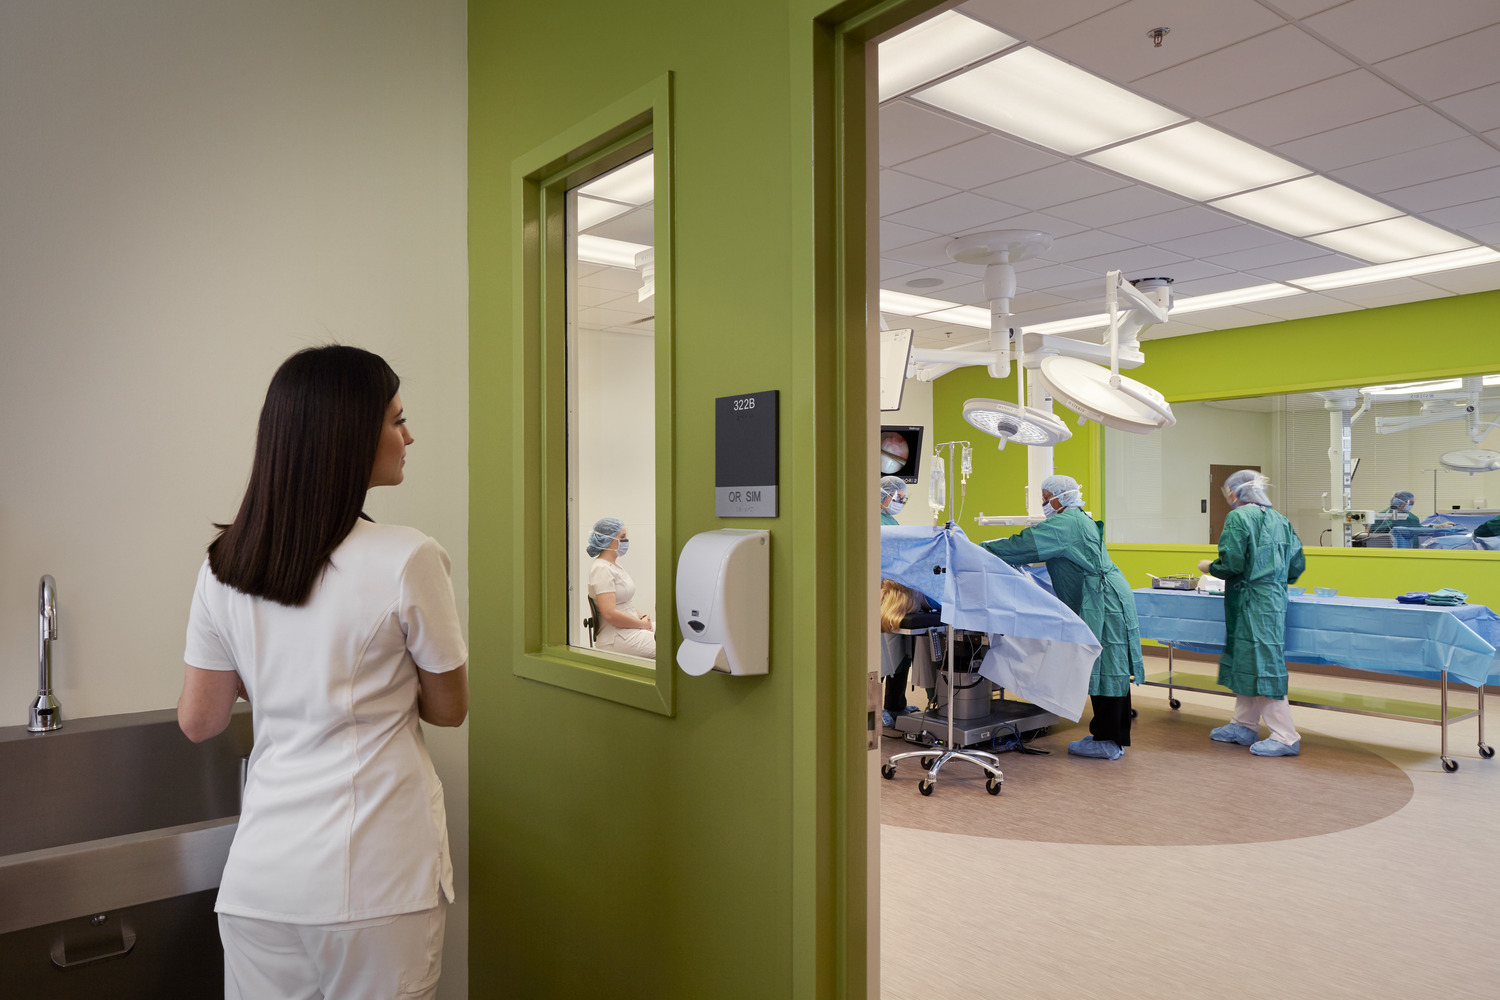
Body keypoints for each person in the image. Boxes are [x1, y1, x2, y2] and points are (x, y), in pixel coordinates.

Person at [177, 345, 468, 999]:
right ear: (348, 436)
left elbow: (201, 720)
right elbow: (449, 708)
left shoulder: (225, 562)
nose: (408, 435)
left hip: (262, 884)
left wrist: (281, 673)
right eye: (397, 420)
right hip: (376, 883)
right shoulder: (408, 557)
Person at [979, 474, 1144, 760]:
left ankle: (1107, 740)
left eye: (1046, 498)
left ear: (1062, 497)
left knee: (1105, 666)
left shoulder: (1065, 523)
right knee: (1109, 665)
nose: (1044, 503)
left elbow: (1023, 545)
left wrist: (977, 549)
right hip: (1108, 594)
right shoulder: (1078, 518)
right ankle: (1112, 736)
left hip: (1103, 600)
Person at [1196, 469, 1307, 758]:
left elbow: (1232, 562)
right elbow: (1295, 566)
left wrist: (1210, 567)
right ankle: (1244, 725)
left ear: (1235, 493)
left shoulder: (1238, 518)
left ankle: (1285, 736)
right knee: (1248, 660)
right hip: (1271, 598)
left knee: (1262, 665)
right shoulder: (1280, 520)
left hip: (1251, 600)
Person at [586, 516, 656, 658]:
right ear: (609, 540)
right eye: (622, 537)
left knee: (674, 634)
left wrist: (642, 617)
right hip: (616, 637)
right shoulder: (601, 569)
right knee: (672, 647)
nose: (626, 541)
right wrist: (641, 625)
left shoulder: (614, 566)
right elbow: (610, 613)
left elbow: (623, 602)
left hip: (628, 629)